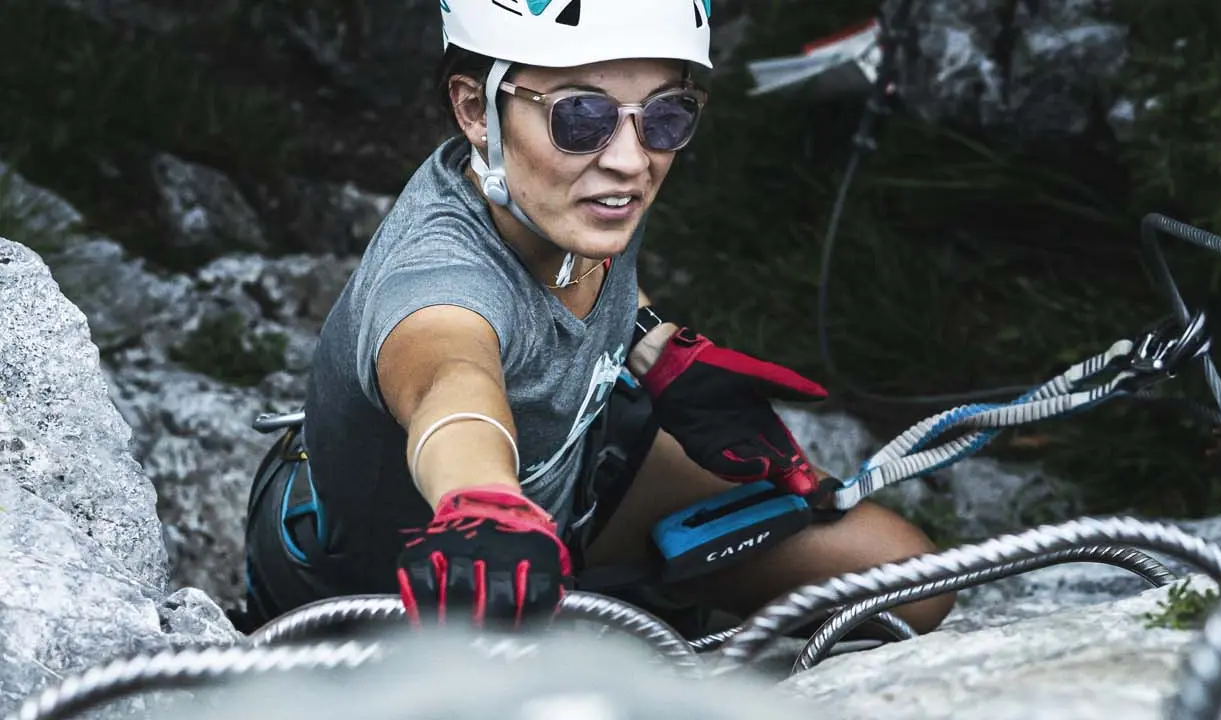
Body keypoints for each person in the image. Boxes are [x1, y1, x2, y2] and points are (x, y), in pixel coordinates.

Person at [239, 0, 954, 638]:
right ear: (472, 109)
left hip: (567, 495)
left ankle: (636, 592)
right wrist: (482, 503)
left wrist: (656, 349)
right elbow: (449, 386)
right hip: (402, 588)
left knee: (904, 583)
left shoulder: (571, 193)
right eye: (580, 115)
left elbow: (595, 274)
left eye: (668, 114)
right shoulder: (437, 279)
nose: (629, 160)